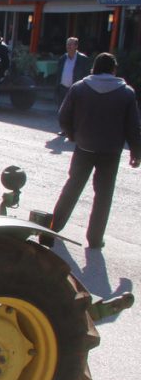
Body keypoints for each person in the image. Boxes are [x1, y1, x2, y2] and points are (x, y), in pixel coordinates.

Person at [50, 53, 141, 249]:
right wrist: (136, 152)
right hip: (111, 151)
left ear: (94, 68)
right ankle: (95, 238)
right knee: (103, 195)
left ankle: (54, 226)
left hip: (84, 147)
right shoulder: (126, 93)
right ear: (113, 69)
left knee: (72, 187)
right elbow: (133, 127)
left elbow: (63, 116)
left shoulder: (79, 88)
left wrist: (72, 135)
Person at [56, 37, 91, 113]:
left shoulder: (83, 59)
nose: (68, 46)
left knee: (74, 111)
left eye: (71, 44)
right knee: (62, 111)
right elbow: (58, 74)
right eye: (67, 44)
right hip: (63, 89)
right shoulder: (62, 58)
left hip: (76, 89)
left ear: (76, 46)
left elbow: (87, 75)